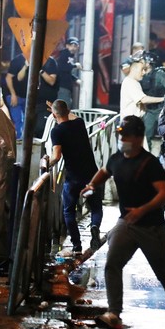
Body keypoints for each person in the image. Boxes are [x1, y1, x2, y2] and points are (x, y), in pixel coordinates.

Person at [82, 116, 165, 329]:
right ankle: (114, 314)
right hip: (126, 224)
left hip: (151, 227)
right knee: (112, 265)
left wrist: (142, 209)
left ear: (139, 138)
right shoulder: (117, 158)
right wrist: (91, 185)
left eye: (126, 135)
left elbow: (163, 193)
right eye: (120, 135)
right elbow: (105, 171)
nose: (122, 139)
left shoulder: (150, 164)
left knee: (162, 273)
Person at [48, 99, 102, 256]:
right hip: (91, 176)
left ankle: (77, 245)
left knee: (68, 211)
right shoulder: (79, 123)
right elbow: (68, 114)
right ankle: (95, 226)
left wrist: (47, 163)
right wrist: (56, 108)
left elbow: (56, 156)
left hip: (73, 179)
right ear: (68, 110)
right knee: (96, 207)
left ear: (53, 114)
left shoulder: (56, 132)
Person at [119, 51, 165, 150]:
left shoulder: (133, 82)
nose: (144, 72)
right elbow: (143, 99)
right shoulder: (130, 82)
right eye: (142, 69)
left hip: (134, 125)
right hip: (131, 127)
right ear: (134, 68)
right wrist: (163, 99)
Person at [140, 52, 165, 150]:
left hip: (161, 109)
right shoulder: (141, 75)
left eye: (144, 61)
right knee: (146, 135)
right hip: (149, 110)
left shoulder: (160, 74)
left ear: (149, 63)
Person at [4, 54, 29, 139]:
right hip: (15, 96)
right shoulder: (17, 60)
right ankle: (17, 143)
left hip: (26, 97)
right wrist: (13, 94)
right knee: (18, 121)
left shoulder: (36, 60)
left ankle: (23, 143)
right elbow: (8, 78)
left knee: (26, 121)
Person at [55, 37, 82, 108]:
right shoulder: (65, 53)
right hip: (62, 86)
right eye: (71, 45)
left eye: (75, 46)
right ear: (67, 46)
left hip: (66, 87)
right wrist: (75, 65)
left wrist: (75, 79)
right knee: (64, 107)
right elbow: (62, 67)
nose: (73, 48)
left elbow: (67, 72)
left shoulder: (70, 56)